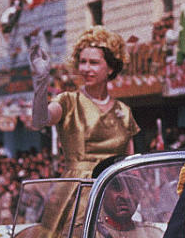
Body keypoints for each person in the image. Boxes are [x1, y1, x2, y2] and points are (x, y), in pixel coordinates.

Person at [29, 25, 139, 178]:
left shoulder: (124, 111)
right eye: (82, 62)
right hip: (77, 191)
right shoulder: (68, 101)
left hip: (113, 191)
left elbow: (130, 164)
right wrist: (41, 80)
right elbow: (40, 120)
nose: (86, 68)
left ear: (110, 68)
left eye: (93, 62)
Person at [91, 174, 162, 238]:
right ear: (102, 193)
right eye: (117, 188)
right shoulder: (87, 237)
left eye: (132, 190)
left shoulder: (155, 235)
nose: (126, 196)